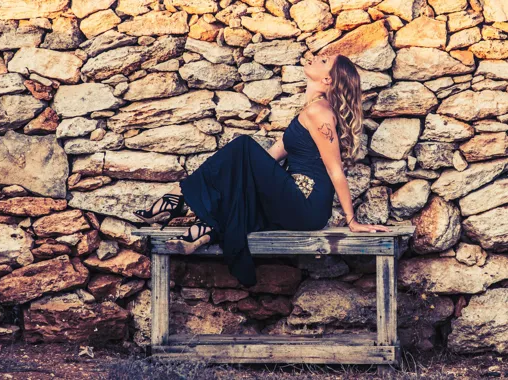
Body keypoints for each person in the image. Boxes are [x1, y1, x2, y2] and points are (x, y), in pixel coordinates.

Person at [133, 54, 391, 287]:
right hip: (292, 198)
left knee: (243, 145)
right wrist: (233, 182)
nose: (318, 57)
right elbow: (267, 159)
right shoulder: (310, 111)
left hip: (306, 204)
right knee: (242, 176)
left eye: (325, 61)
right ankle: (204, 231)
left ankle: (177, 196)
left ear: (327, 79)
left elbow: (335, 170)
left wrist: (352, 221)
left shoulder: (319, 112)